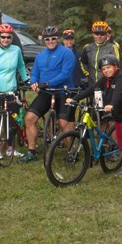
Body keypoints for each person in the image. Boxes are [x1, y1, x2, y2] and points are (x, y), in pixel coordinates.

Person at [68, 56, 122, 185]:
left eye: (109, 67)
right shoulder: (105, 80)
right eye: (104, 69)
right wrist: (76, 98)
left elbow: (118, 93)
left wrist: (111, 104)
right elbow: (91, 89)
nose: (106, 71)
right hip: (118, 115)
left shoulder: (121, 77)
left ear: (115, 67)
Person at [20, 26, 75, 164]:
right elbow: (35, 73)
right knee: (29, 118)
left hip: (63, 92)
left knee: (64, 123)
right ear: (44, 40)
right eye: (47, 39)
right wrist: (33, 82)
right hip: (46, 92)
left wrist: (47, 83)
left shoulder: (66, 53)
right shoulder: (40, 55)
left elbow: (65, 74)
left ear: (58, 39)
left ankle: (71, 153)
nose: (50, 41)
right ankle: (31, 151)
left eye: (53, 38)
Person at [0, 23, 28, 161]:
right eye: (3, 37)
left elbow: (21, 66)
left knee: (13, 120)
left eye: (8, 37)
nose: (5, 40)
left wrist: (26, 79)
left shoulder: (16, 50)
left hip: (11, 90)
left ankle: (10, 148)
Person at [80, 21, 122, 85]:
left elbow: (117, 65)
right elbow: (83, 62)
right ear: (93, 34)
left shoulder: (112, 47)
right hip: (92, 83)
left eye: (102, 34)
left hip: (108, 83)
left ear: (106, 34)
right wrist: (88, 74)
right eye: (97, 33)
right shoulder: (87, 47)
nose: (99, 36)